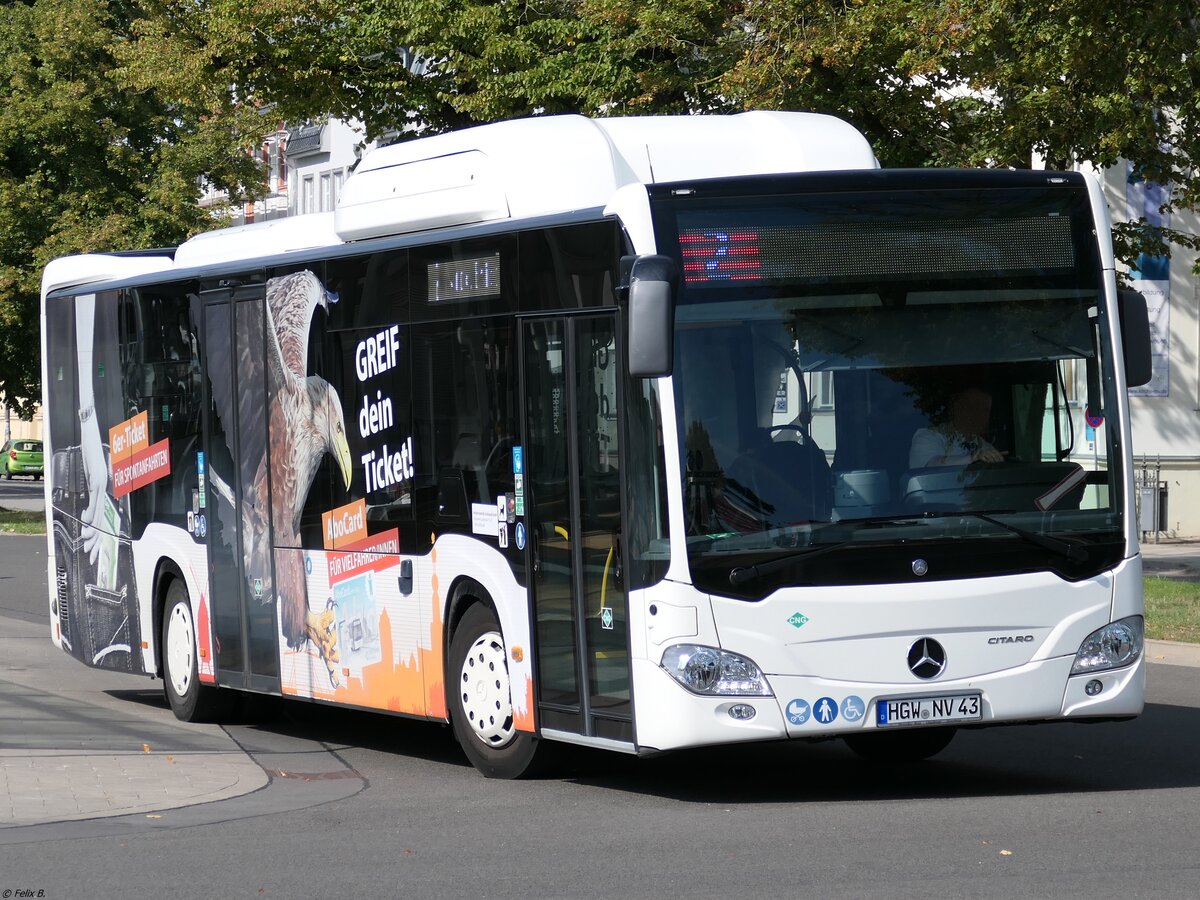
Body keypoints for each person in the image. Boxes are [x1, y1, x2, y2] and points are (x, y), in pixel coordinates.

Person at [909, 385, 1007, 468]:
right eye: (975, 406)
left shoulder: (986, 447)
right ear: (958, 408)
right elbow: (932, 465)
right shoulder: (928, 436)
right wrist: (973, 458)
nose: (981, 414)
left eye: (985, 410)